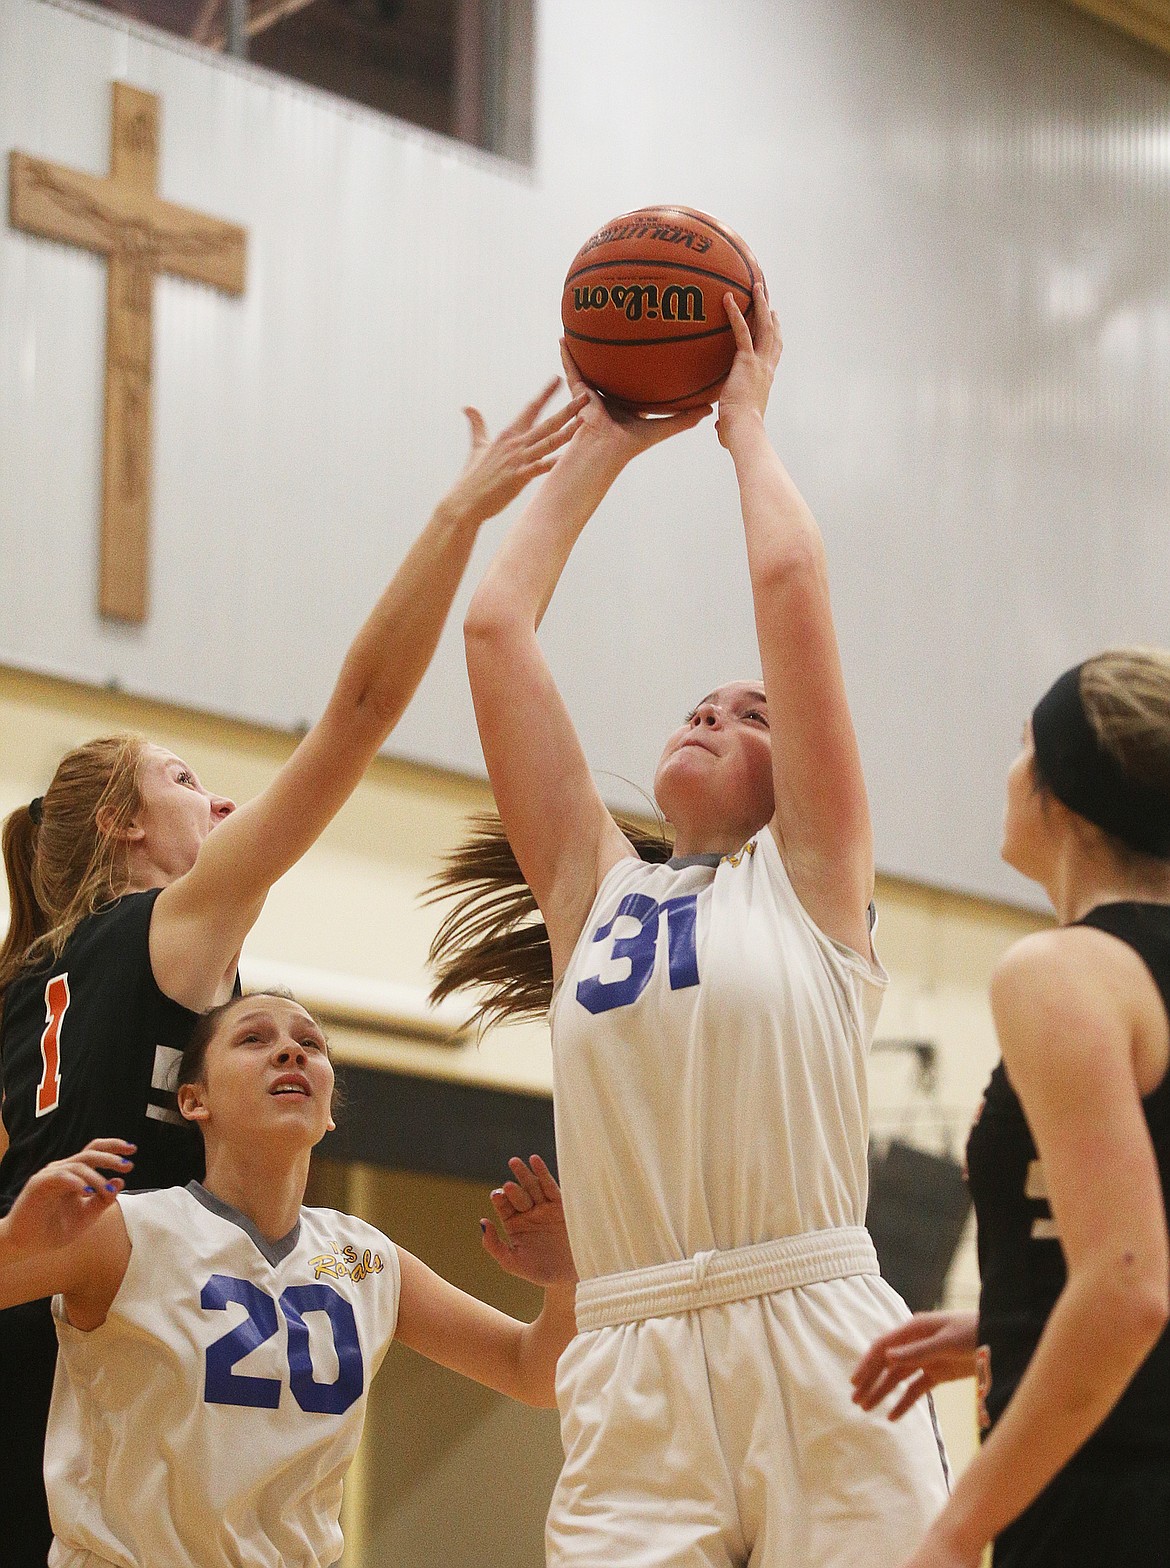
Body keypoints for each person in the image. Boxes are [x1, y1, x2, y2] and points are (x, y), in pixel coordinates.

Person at [0, 378, 584, 1566]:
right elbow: (357, 717)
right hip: (91, 1361)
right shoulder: (171, 925)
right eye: (181, 781)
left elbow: (532, 1369)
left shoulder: (27, 986)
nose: (217, 800)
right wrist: (458, 515)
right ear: (121, 825)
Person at [428, 289, 950, 1567]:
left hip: (823, 1336)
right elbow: (496, 630)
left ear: (800, 778)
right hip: (633, 1352)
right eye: (699, 700)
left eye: (753, 711)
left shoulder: (815, 881)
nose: (715, 710)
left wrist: (745, 424)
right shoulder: (589, 892)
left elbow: (787, 575)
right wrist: (602, 439)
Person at [0, 989, 578, 1567]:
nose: (290, 1053)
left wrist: (564, 1280)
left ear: (328, 1112)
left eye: (310, 1045)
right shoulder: (126, 1232)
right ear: (194, 1100)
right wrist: (15, 1238)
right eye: (255, 1038)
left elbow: (535, 1373)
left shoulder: (368, 1259)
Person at [851, 650, 1170, 1568]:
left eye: (1022, 746)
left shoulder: (1062, 972)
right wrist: (1012, 1325)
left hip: (1109, 1491)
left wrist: (954, 1533)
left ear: (1058, 791)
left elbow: (1127, 1290)